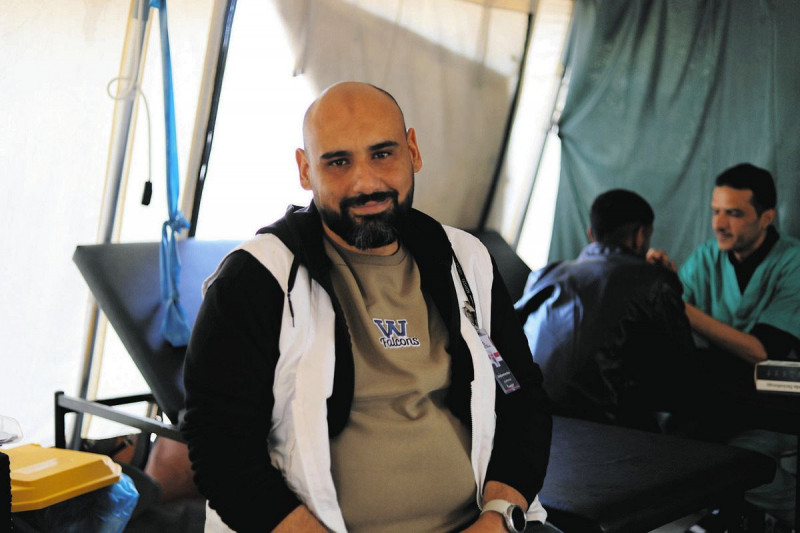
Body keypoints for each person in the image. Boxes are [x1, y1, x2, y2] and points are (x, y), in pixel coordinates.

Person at [180, 82, 553, 533]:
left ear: (413, 151)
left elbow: (522, 398)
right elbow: (220, 449)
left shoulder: (465, 261)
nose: (365, 183)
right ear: (305, 170)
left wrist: (497, 518)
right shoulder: (258, 278)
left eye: (382, 154)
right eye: (338, 162)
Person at [678, 163, 800, 529]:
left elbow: (763, 352)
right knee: (682, 450)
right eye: (715, 211)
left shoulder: (793, 263)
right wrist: (660, 281)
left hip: (780, 397)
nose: (718, 224)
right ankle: (729, 515)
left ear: (766, 218)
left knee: (737, 463)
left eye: (733, 213)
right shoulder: (706, 257)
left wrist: (684, 310)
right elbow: (669, 311)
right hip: (724, 397)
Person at [515, 189, 696, 431]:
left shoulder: (546, 274)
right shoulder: (656, 282)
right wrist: (665, 280)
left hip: (529, 417)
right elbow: (684, 370)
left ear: (591, 234)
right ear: (640, 236)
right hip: (607, 427)